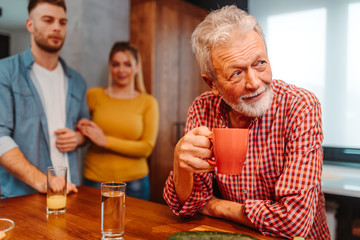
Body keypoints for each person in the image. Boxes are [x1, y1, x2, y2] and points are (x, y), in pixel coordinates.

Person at [163, 5, 330, 239]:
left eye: (260, 63)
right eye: (236, 73)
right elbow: (186, 206)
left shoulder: (300, 106)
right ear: (212, 84)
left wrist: (215, 206)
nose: (254, 82)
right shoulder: (202, 108)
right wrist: (181, 165)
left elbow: (295, 222)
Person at [0, 0, 89, 198]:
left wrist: (78, 138)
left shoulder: (77, 81)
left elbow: (84, 127)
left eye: (62, 22)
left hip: (70, 191)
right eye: (48, 20)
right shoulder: (5, 72)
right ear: (30, 24)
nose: (57, 27)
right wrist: (44, 181)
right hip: (21, 197)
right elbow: (0, 137)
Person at [77, 42, 159, 200]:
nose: (121, 70)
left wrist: (105, 140)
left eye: (127, 64)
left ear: (137, 67)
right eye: (116, 64)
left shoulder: (148, 102)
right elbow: (81, 132)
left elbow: (146, 148)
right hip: (95, 180)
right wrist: (82, 129)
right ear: (110, 67)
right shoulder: (93, 95)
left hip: (135, 183)